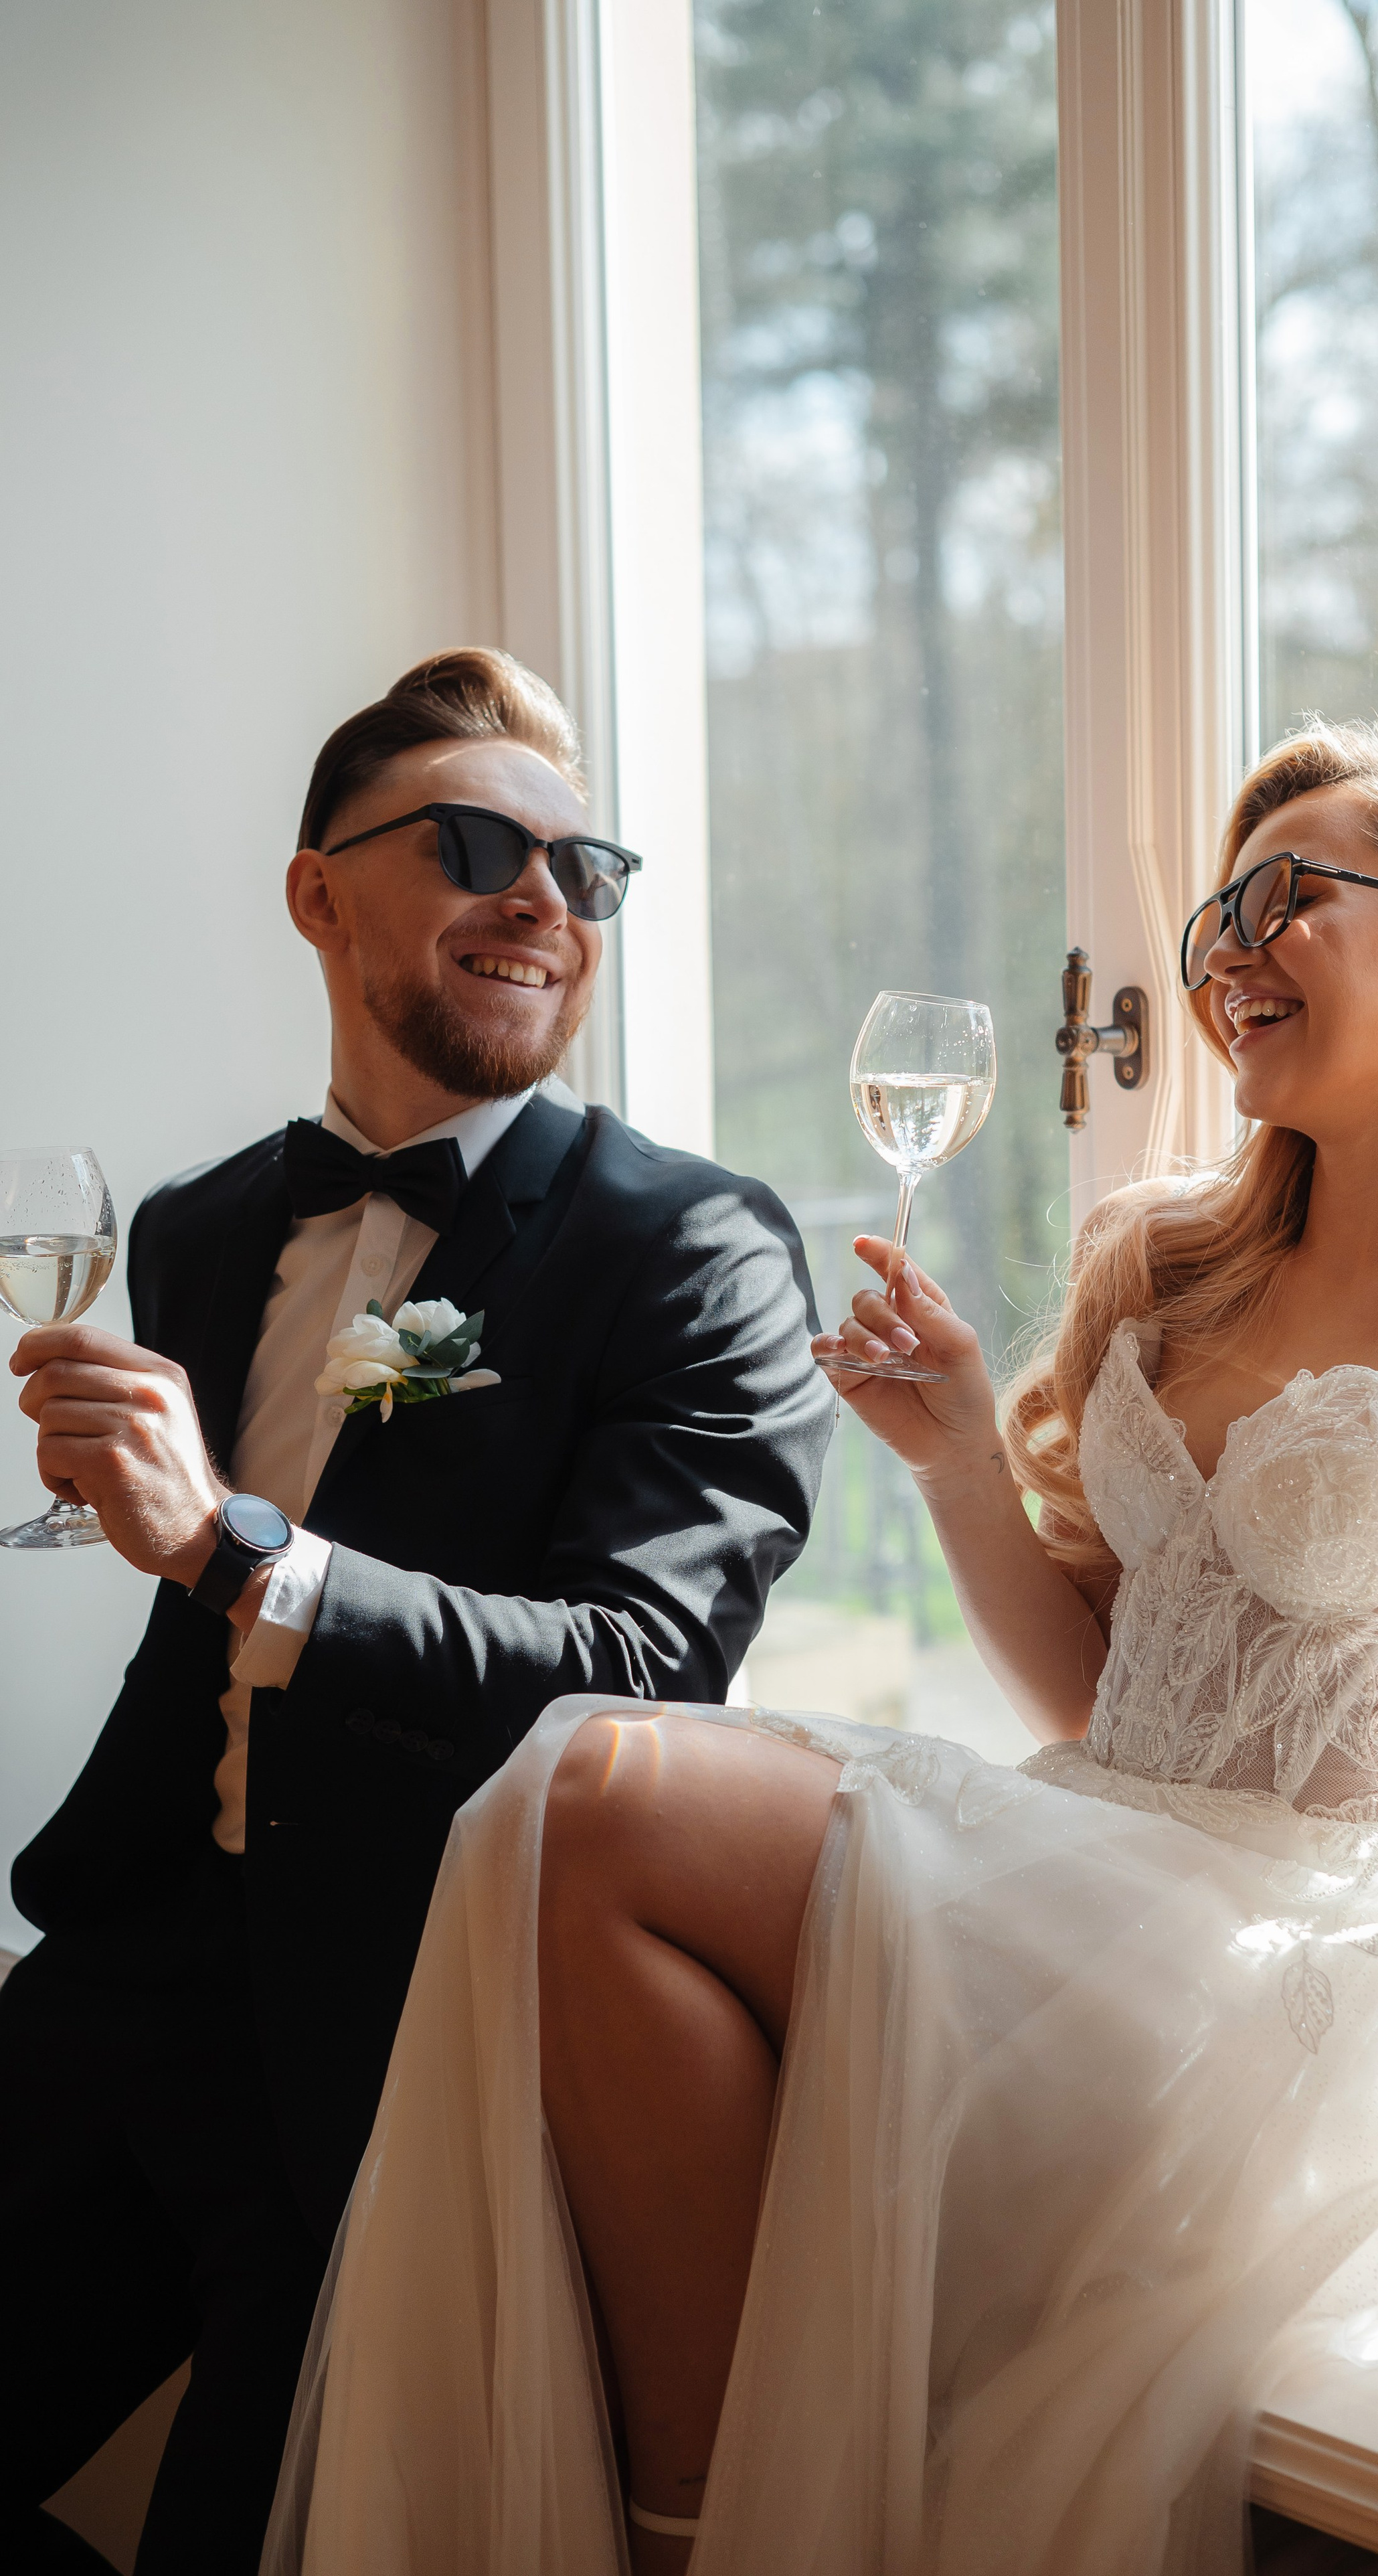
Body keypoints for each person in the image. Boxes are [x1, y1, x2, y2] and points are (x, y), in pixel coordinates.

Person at [262, 718, 1378, 2576]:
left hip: (1303, 1964)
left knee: (597, 1781)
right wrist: (959, 1452)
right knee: (568, 1818)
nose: (1226, 956)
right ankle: (720, 2516)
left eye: (1290, 899)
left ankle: (706, 2540)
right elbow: (1114, 1704)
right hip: (1097, 1878)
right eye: (1211, 920)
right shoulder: (1173, 1258)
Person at [0, 647, 833, 2575]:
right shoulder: (202, 1230)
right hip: (129, 1967)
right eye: (476, 845)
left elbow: (644, 1673)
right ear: (319, 893)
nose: (545, 900)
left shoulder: (693, 1245)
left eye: (587, 871)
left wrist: (240, 1550)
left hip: (404, 2047)